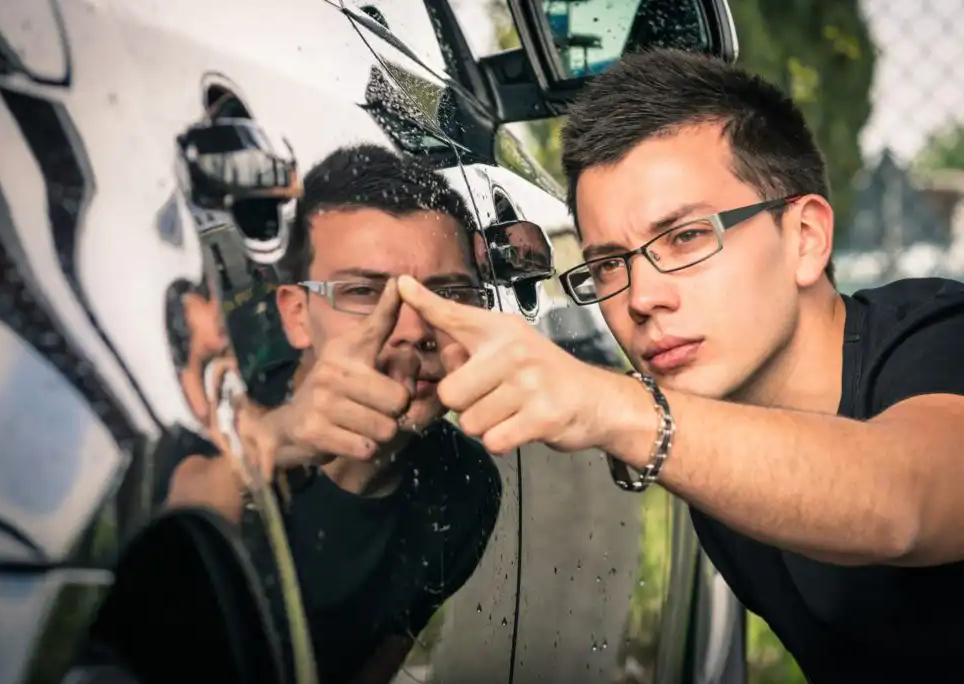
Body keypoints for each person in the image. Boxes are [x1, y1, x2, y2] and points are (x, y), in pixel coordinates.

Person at [391, 49, 964, 683]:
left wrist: (620, 409)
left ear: (804, 238)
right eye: (609, 264)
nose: (640, 297)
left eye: (687, 237)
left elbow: (905, 502)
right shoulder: (716, 445)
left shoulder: (940, 339)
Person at [227, 143, 503, 684]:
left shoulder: (464, 488)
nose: (414, 329)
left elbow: (378, 661)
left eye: (447, 294)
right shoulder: (208, 426)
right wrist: (267, 449)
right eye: (363, 292)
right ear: (297, 315)